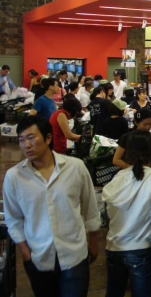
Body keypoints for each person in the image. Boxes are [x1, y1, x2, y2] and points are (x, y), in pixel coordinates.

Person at [3, 115, 100, 297]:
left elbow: (90, 207)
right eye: (21, 140)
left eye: (31, 138)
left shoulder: (75, 167)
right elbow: (13, 218)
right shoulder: (14, 177)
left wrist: (93, 241)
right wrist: (25, 253)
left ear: (48, 138)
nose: (26, 145)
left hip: (74, 254)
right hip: (38, 256)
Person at [102, 130, 151, 297]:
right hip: (141, 249)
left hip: (114, 247)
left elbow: (110, 212)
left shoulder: (118, 177)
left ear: (128, 152)